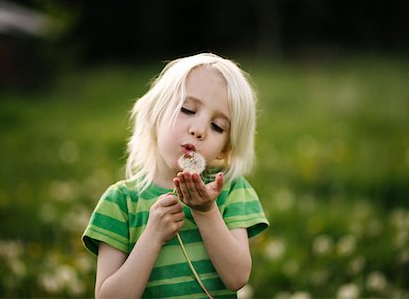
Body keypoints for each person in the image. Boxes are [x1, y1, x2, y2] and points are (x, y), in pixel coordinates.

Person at [82, 52, 269, 298]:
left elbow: (237, 278)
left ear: (225, 149)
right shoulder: (120, 202)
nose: (199, 129)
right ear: (156, 111)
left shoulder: (230, 190)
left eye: (217, 127)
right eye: (188, 109)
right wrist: (152, 236)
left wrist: (206, 212)